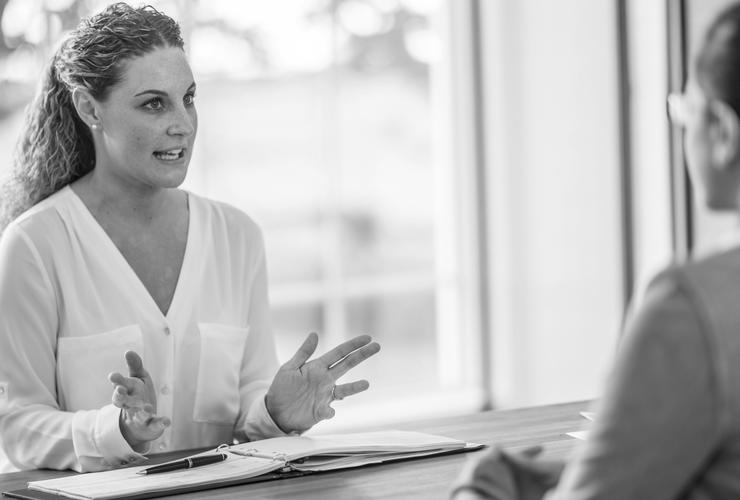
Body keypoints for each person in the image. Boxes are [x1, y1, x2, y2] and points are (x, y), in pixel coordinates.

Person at [0, 2, 380, 473]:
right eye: (153, 103)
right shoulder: (35, 245)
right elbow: (18, 426)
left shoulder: (237, 236)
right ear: (87, 107)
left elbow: (248, 415)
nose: (182, 123)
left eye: (189, 98)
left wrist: (278, 412)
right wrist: (114, 430)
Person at [451, 2, 740, 499]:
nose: (681, 130)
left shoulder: (694, 307)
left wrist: (479, 493)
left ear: (721, 131)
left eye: (683, 111)